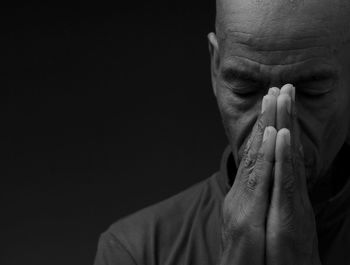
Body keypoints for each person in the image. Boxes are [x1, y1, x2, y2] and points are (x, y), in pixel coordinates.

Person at [94, 0, 350, 264]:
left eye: (312, 92)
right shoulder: (137, 250)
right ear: (215, 67)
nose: (275, 126)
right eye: (244, 89)